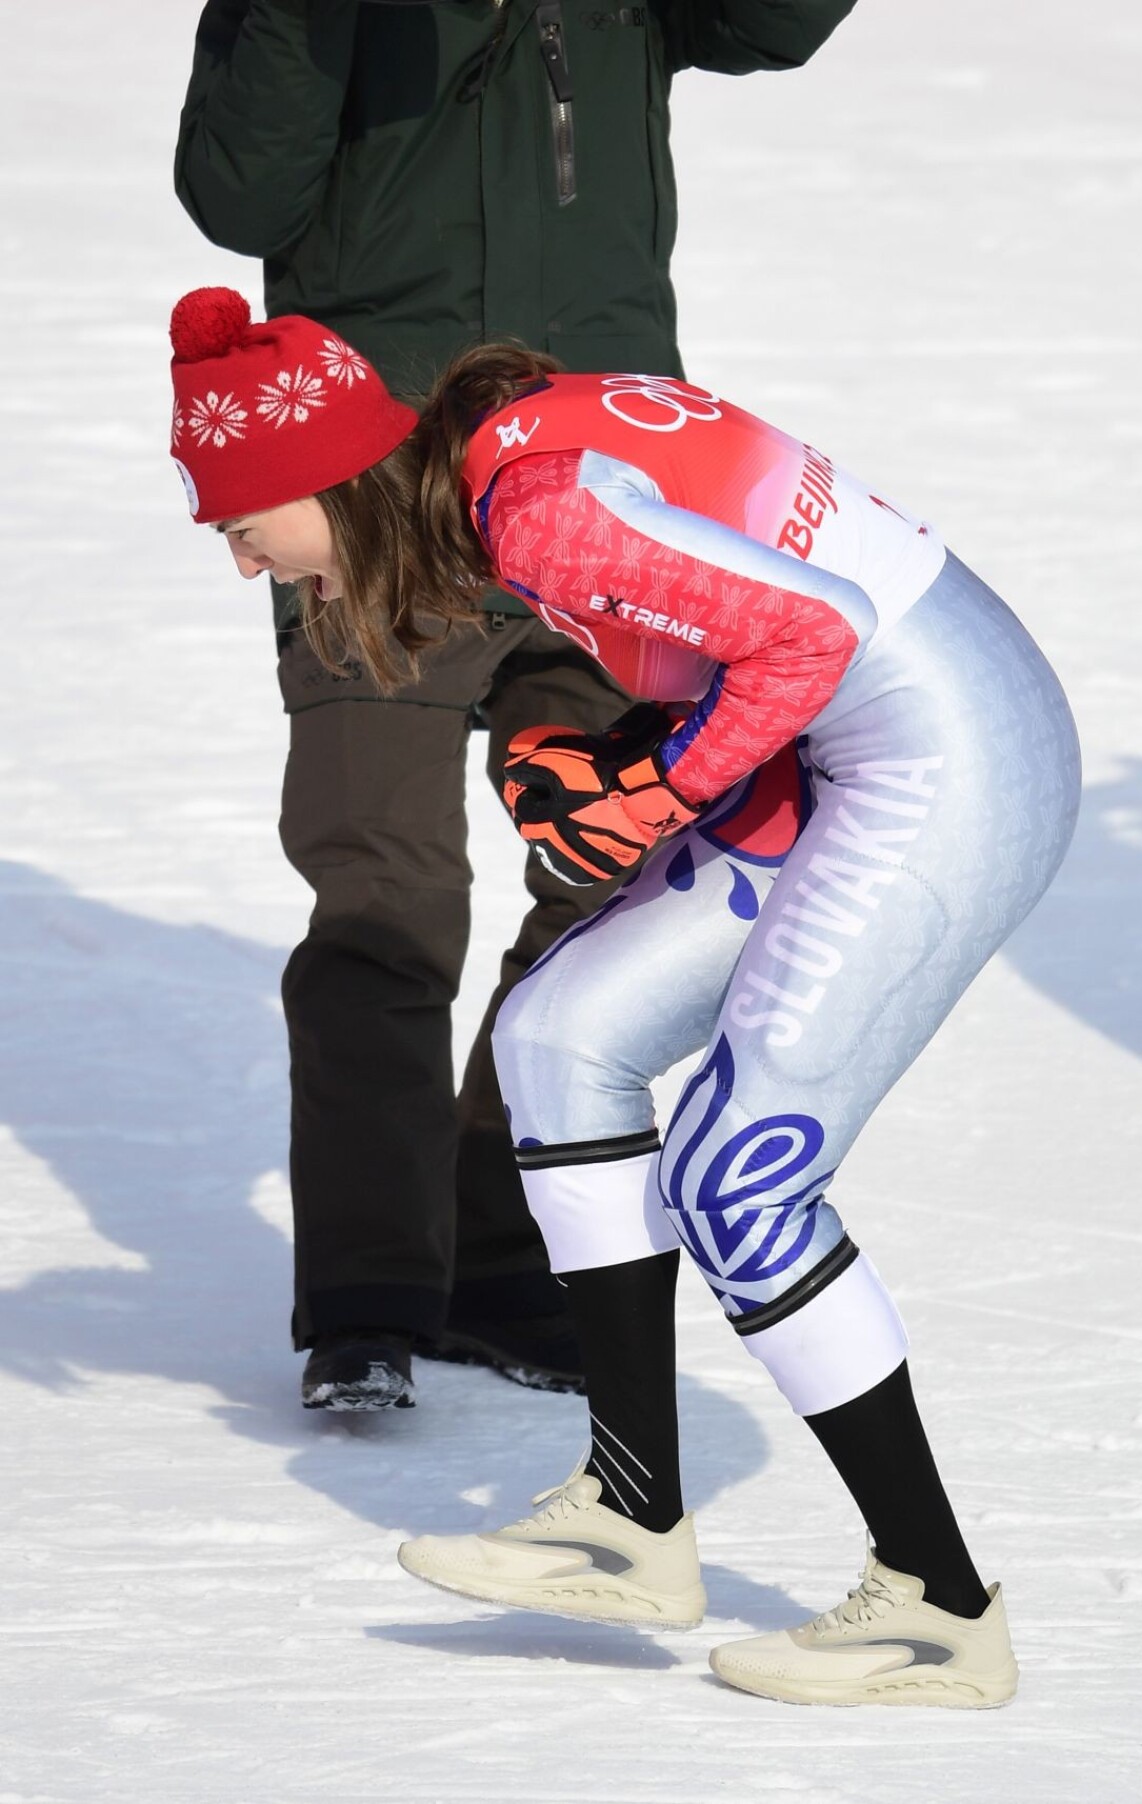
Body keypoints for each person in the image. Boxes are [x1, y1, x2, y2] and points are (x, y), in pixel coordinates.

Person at [167, 291, 1081, 1706]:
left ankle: (938, 1609)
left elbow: (817, 632)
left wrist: (656, 788)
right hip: (847, 753)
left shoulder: (531, 512)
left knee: (739, 1179)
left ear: (330, 479)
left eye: (243, 526)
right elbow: (736, 627)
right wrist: (617, 756)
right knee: (556, 1035)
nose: (244, 564)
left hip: (950, 763)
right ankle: (630, 1514)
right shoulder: (501, 479)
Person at [172, 0, 861, 1409]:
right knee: (383, 893)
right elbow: (237, 192)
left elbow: (776, 24)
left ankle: (498, 1251)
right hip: (370, 517)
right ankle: (368, 1294)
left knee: (609, 874)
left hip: (603, 500)